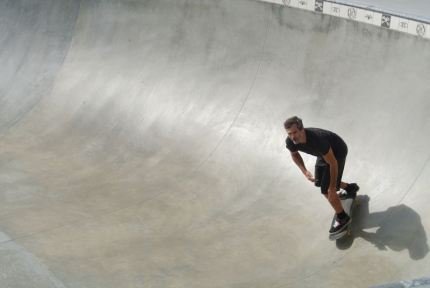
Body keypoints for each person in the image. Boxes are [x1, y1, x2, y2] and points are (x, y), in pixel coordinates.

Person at [284, 116, 359, 234]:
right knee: (319, 181)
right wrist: (305, 171)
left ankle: (343, 217)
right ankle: (350, 188)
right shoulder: (290, 141)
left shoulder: (317, 139)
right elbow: (295, 155)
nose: (293, 137)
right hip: (323, 154)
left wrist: (333, 188)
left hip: (337, 152)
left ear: (302, 129)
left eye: (295, 132)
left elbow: (333, 163)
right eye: (289, 133)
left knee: (326, 189)